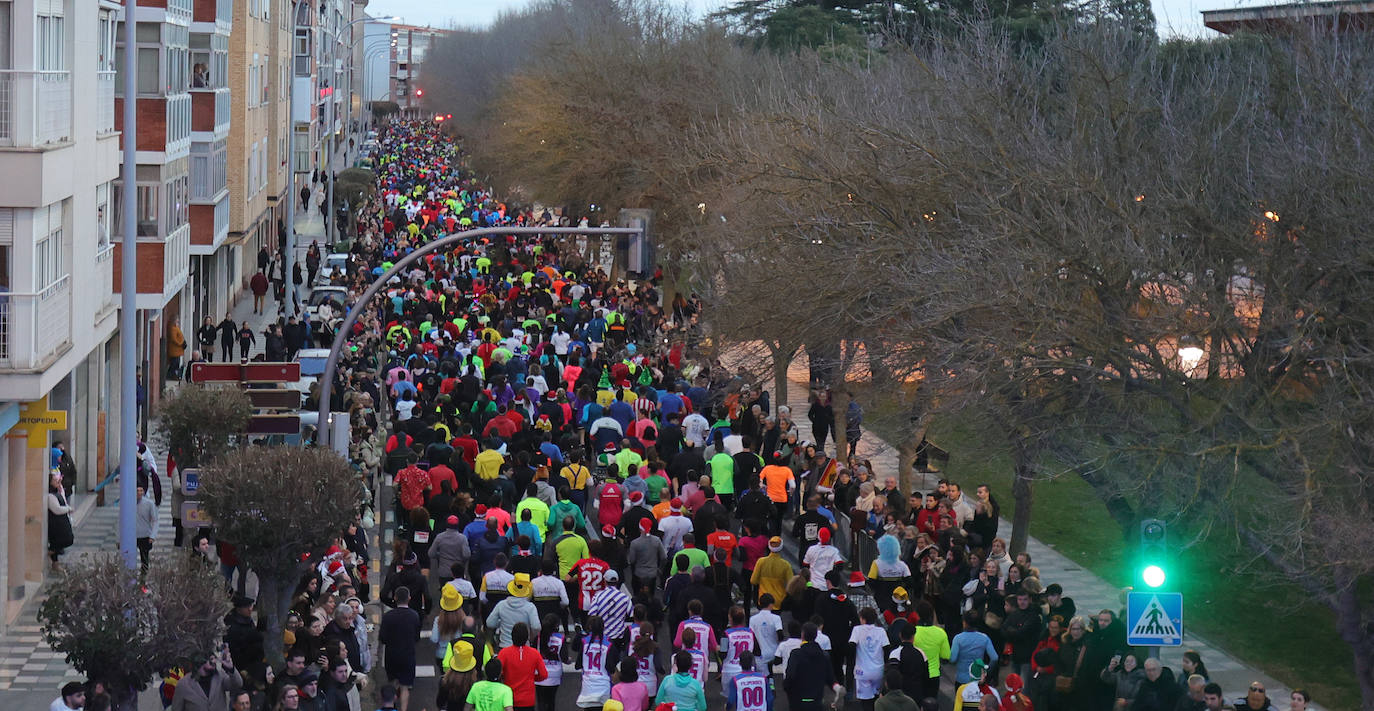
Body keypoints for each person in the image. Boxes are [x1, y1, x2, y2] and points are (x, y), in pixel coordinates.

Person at [378, 586, 422, 711]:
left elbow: (382, 638)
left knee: (392, 683)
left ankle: (390, 707)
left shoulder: (388, 616)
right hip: (408, 655)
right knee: (405, 687)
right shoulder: (414, 615)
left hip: (391, 654)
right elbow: (416, 637)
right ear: (409, 598)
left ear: (395, 598)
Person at [783, 622, 839, 711]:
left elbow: (790, 675)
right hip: (817, 700)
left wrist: (786, 687)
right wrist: (837, 688)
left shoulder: (796, 654)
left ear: (802, 635)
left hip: (798, 699)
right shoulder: (824, 655)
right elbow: (830, 678)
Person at [170, 648, 244, 711]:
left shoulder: (220, 676)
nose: (214, 661)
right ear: (200, 661)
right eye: (211, 659)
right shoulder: (183, 684)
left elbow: (237, 684)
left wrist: (231, 669)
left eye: (214, 658)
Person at [495, 622, 547, 711]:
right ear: (527, 637)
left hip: (509, 699)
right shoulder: (535, 653)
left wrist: (505, 677)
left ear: (512, 636)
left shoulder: (504, 653)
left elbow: (497, 673)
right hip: (528, 700)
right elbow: (543, 674)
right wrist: (532, 678)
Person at [47, 471, 74, 570]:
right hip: (56, 523)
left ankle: (55, 563)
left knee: (59, 542)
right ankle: (49, 553)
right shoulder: (50, 496)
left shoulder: (57, 492)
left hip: (61, 521)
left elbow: (63, 499)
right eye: (55, 480)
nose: (58, 481)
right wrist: (68, 509)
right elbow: (57, 509)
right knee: (62, 541)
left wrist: (60, 488)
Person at [135, 483, 158, 572]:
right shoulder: (128, 502)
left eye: (141, 490)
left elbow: (155, 520)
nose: (139, 493)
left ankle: (144, 575)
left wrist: (153, 535)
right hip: (133, 534)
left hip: (145, 534)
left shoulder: (149, 503)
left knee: (144, 557)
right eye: (137, 490)